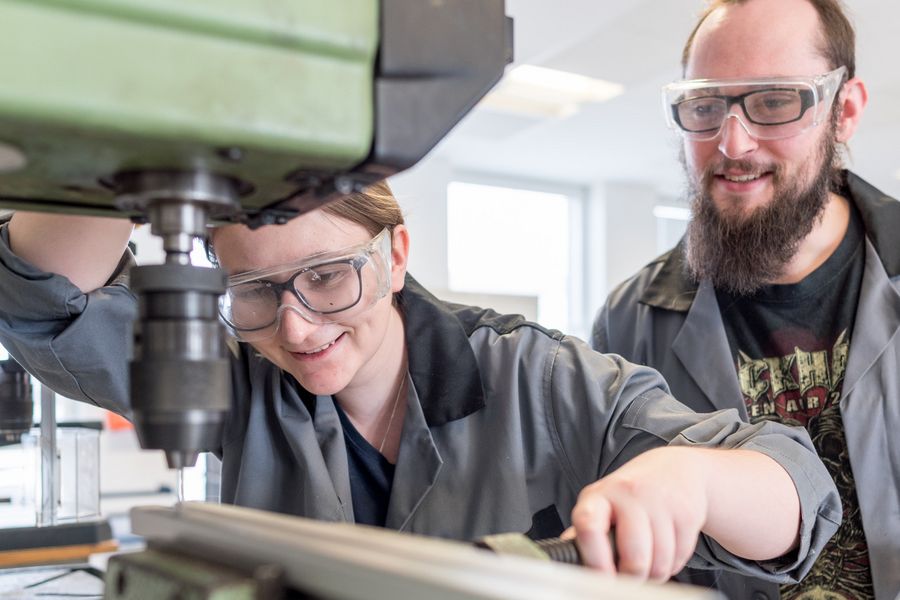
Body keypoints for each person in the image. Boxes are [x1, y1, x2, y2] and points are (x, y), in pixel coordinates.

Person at [0, 182, 838, 585]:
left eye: (328, 277)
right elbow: (39, 300)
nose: (295, 327)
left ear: (396, 256)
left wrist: (689, 474)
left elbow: (793, 491)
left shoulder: (535, 375)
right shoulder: (237, 373)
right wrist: (129, 153)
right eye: (252, 290)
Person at [593, 0, 897, 597]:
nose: (733, 143)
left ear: (846, 111)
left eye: (776, 102)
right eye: (705, 107)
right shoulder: (630, 321)